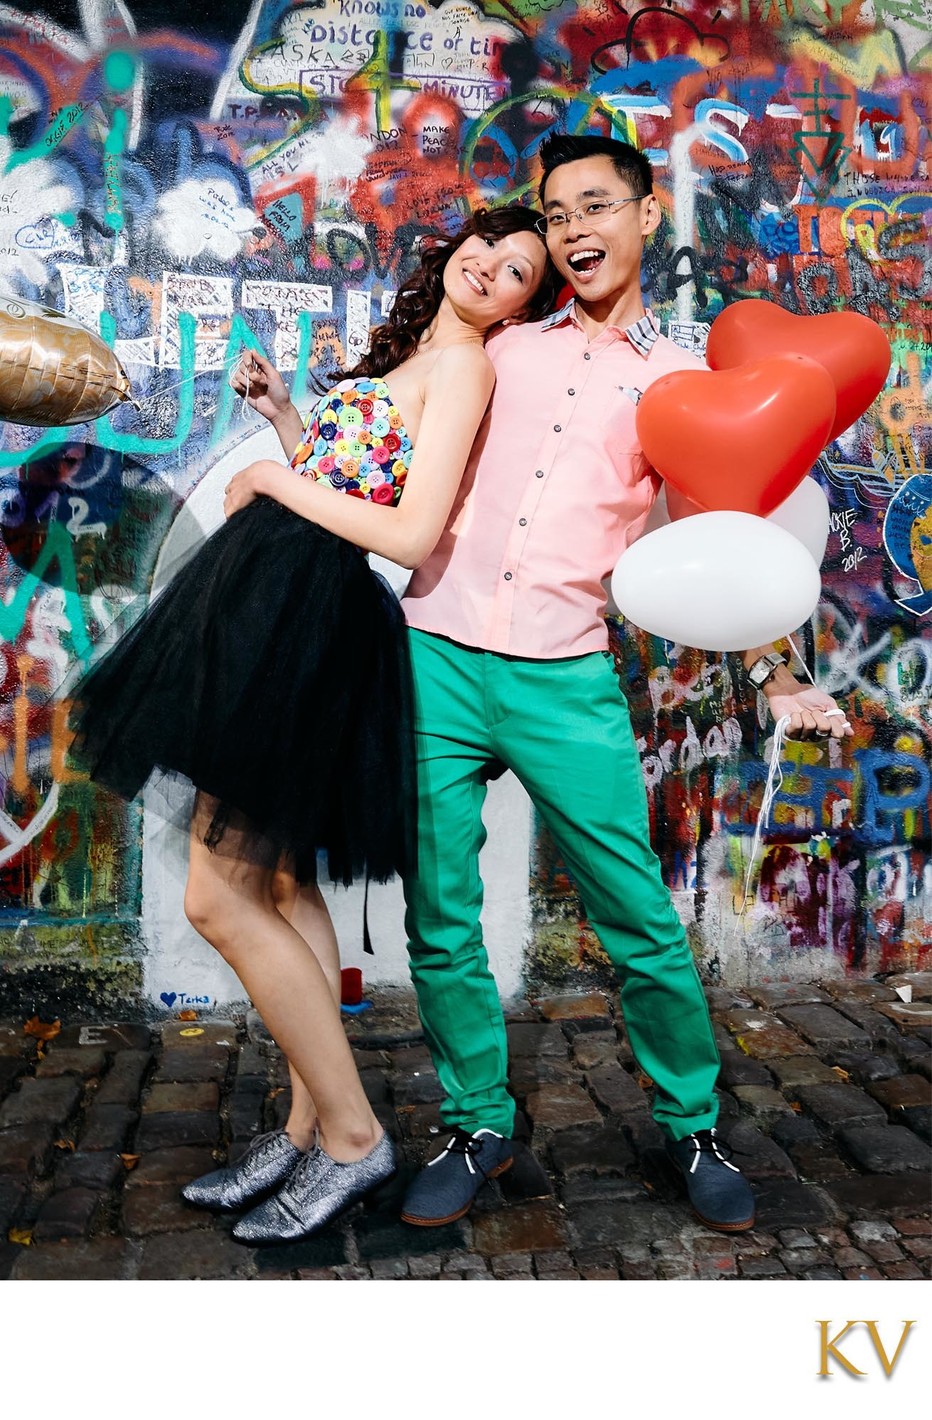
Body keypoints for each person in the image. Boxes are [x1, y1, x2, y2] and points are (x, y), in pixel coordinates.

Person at [70, 204, 560, 1245]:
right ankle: (301, 1127)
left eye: (519, 269)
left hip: (310, 614)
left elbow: (411, 530)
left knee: (216, 896)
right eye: (488, 245)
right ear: (454, 249)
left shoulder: (468, 367)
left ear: (527, 302)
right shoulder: (418, 358)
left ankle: (350, 1136)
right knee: (279, 880)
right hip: (277, 594)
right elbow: (353, 477)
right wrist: (289, 417)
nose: (492, 267)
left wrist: (272, 477)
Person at [397, 133, 854, 1235]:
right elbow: (389, 441)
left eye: (594, 207)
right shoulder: (499, 351)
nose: (571, 232)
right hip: (436, 652)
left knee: (637, 917)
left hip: (563, 674)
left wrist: (777, 668)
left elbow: (715, 531)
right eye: (554, 216)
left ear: (647, 217)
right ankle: (474, 1119)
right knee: (438, 911)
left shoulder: (685, 382)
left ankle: (689, 1123)